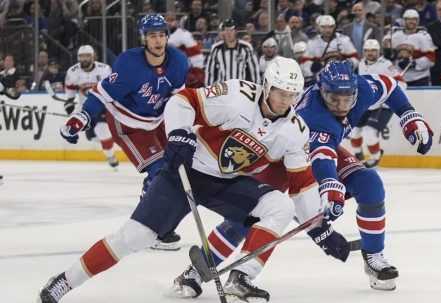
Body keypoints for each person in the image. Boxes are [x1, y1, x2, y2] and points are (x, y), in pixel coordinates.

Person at [38, 56, 318, 303]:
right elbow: (182, 100)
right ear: (267, 86)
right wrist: (179, 133)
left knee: (280, 207)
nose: (286, 101)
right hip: (187, 170)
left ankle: (242, 277)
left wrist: (319, 226)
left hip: (226, 182)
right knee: (134, 237)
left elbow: (302, 183)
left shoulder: (296, 130)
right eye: (280, 93)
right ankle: (65, 280)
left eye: (292, 95)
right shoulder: (236, 95)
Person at [172, 60, 435, 298]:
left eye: (347, 99)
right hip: (282, 159)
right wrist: (329, 195)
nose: (342, 106)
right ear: (321, 92)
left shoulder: (362, 89)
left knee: (370, 184)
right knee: (248, 218)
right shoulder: (315, 116)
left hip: (320, 151)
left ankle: (374, 257)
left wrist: (410, 116)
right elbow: (321, 161)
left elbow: (389, 86)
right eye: (334, 100)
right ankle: (197, 271)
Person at [57, 14, 189, 251]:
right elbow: (102, 94)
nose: (157, 40)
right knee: (158, 170)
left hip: (157, 120)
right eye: (152, 35)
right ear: (144, 39)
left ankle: (158, 223)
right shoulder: (129, 63)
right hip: (126, 123)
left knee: (177, 168)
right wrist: (82, 117)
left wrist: (184, 125)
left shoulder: (178, 61)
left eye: (161, 34)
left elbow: (178, 98)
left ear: (166, 36)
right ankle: (150, 229)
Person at [349, 39, 405, 167]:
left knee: (369, 132)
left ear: (378, 51)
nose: (370, 53)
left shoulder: (387, 65)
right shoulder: (362, 64)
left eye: (373, 50)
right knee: (354, 131)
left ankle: (375, 157)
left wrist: (388, 97)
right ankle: (358, 156)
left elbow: (402, 84)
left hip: (383, 106)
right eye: (367, 51)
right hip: (366, 105)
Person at [63, 45, 118, 169]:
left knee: (102, 130)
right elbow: (70, 91)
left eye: (87, 56)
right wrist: (69, 103)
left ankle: (110, 156)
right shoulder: (73, 72)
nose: (84, 59)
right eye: (81, 56)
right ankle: (110, 142)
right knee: (91, 137)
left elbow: (112, 89)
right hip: (86, 108)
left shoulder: (104, 70)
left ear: (93, 57)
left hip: (103, 105)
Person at [300, 15, 359, 85]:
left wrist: (348, 64)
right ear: (319, 27)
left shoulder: (344, 40)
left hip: (342, 77)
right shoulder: (312, 43)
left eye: (330, 27)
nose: (327, 30)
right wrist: (312, 67)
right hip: (320, 79)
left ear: (334, 27)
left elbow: (355, 58)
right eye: (324, 27)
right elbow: (304, 63)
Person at [387, 9, 436, 86]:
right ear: (404, 20)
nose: (411, 22)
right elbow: (389, 57)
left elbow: (431, 59)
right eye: (408, 19)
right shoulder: (395, 36)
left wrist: (413, 64)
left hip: (419, 79)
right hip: (399, 78)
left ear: (418, 21)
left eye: (414, 19)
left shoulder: (424, 36)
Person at [205, 19, 261, 86]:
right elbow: (210, 72)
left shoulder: (246, 47)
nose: (229, 33)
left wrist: (255, 89)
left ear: (236, 31)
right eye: (226, 30)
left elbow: (254, 71)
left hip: (241, 90)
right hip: (223, 90)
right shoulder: (216, 48)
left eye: (231, 30)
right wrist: (209, 90)